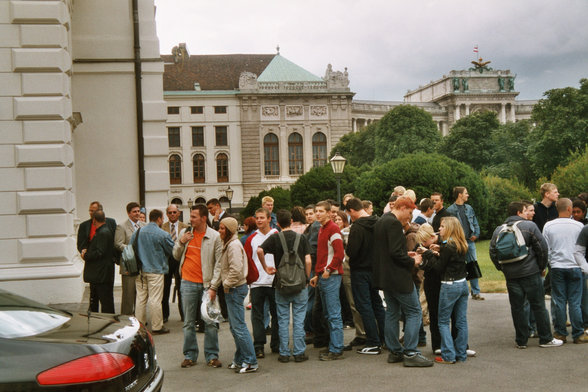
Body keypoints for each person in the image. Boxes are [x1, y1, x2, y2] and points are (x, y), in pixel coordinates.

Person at [489, 201, 563, 349]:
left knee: (517, 307)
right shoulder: (529, 226)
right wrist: (540, 266)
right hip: (530, 272)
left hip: (511, 275)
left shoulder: (498, 230)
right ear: (519, 212)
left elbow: (493, 252)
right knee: (538, 306)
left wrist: (503, 268)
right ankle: (546, 338)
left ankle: (521, 340)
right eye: (525, 211)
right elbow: (542, 248)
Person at [373, 197, 433, 367]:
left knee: (392, 312)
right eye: (409, 212)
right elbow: (395, 253)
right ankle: (411, 352)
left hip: (385, 277)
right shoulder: (393, 224)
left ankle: (395, 351)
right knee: (414, 312)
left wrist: (406, 255)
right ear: (402, 207)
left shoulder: (381, 221)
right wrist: (412, 261)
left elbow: (387, 252)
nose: (409, 217)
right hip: (398, 277)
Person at [257, 209, 312, 363]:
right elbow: (308, 261)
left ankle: (284, 352)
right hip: (299, 284)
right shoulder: (301, 238)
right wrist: (306, 278)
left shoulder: (275, 238)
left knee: (282, 319)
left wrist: (266, 267)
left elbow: (260, 250)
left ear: (278, 223)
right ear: (292, 220)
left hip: (281, 284)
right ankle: (299, 352)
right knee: (299, 319)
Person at [173, 204, 223, 368]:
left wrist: (213, 287)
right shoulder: (185, 233)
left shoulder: (214, 236)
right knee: (188, 322)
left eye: (194, 216)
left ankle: (212, 356)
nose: (190, 219)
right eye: (190, 216)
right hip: (187, 282)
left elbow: (219, 265)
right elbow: (175, 255)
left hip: (206, 285)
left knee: (210, 321)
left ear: (203, 218)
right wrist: (181, 242)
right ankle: (189, 355)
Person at [209, 217, 259, 374]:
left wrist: (226, 284)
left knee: (239, 327)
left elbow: (236, 270)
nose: (219, 231)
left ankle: (251, 361)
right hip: (234, 288)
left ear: (230, 230)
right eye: (220, 228)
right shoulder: (229, 244)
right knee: (235, 327)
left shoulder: (233, 246)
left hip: (235, 289)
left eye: (223, 229)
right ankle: (240, 359)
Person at [419, 217, 469, 364]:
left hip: (450, 285)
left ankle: (448, 355)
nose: (439, 229)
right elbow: (449, 259)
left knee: (442, 321)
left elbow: (439, 268)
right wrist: (438, 252)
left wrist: (428, 253)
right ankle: (461, 353)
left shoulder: (448, 247)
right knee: (461, 321)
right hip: (462, 284)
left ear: (450, 229)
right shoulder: (461, 244)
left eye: (442, 226)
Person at [543, 198, 588, 344]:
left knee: (559, 300)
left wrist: (548, 264)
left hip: (557, 266)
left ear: (557, 208)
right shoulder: (579, 226)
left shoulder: (549, 226)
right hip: (575, 266)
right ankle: (578, 333)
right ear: (569, 209)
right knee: (575, 301)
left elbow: (546, 249)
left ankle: (560, 332)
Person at [346, 197, 385, 355]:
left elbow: (352, 252)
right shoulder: (378, 222)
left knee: (364, 306)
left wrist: (347, 246)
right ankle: (384, 338)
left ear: (352, 211)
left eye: (349, 213)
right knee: (377, 304)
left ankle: (373, 342)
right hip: (375, 269)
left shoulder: (356, 227)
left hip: (360, 271)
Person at [309, 201, 346, 361]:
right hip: (325, 276)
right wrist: (319, 274)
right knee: (328, 313)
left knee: (333, 314)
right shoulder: (323, 229)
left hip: (331, 276)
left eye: (321, 211)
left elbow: (339, 253)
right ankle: (333, 346)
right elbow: (326, 255)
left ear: (329, 213)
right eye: (316, 211)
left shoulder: (332, 228)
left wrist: (329, 270)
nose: (318, 214)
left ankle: (336, 348)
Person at [131, 209, 175, 335]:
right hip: (156, 269)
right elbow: (171, 250)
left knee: (140, 298)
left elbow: (131, 247)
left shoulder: (138, 232)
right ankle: (157, 326)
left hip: (139, 270)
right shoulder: (162, 234)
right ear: (160, 219)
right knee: (155, 299)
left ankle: (139, 325)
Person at [243, 208, 279, 358]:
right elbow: (246, 259)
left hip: (274, 281)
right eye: (257, 218)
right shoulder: (252, 238)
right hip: (257, 282)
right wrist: (249, 278)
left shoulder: (276, 235)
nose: (259, 221)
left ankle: (276, 344)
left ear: (269, 219)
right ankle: (259, 345)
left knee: (276, 314)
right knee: (257, 315)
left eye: (262, 218)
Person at [334, 210, 367, 348]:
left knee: (361, 303)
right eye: (335, 219)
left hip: (355, 269)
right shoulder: (342, 233)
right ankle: (361, 333)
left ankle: (365, 333)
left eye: (339, 219)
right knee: (353, 304)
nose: (337, 222)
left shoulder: (353, 231)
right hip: (346, 270)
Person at [447, 187, 484, 300]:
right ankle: (461, 291)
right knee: (459, 266)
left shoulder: (469, 208)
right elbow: (450, 228)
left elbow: (475, 223)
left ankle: (475, 292)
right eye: (466, 193)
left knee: (473, 265)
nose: (468, 195)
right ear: (459, 195)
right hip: (458, 243)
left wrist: (476, 234)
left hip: (470, 242)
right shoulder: (450, 210)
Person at [114, 202, 146, 315]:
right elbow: (118, 243)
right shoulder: (121, 226)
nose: (137, 213)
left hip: (142, 265)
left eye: (138, 211)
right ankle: (126, 318)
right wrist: (132, 250)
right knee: (128, 294)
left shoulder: (144, 225)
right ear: (129, 213)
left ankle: (139, 317)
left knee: (140, 294)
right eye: (134, 211)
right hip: (128, 264)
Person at [82, 209, 115, 313]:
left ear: (94, 220)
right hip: (100, 274)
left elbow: (99, 252)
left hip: (102, 274)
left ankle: (109, 324)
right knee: (100, 301)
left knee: (106, 303)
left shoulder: (103, 232)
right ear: (104, 219)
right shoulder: (103, 231)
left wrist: (85, 255)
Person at [161, 204, 188, 323]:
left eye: (174, 212)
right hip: (166, 260)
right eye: (170, 212)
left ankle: (183, 314)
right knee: (165, 288)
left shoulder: (185, 227)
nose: (172, 214)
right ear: (166, 214)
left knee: (181, 288)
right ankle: (164, 315)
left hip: (180, 260)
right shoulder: (161, 227)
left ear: (179, 213)